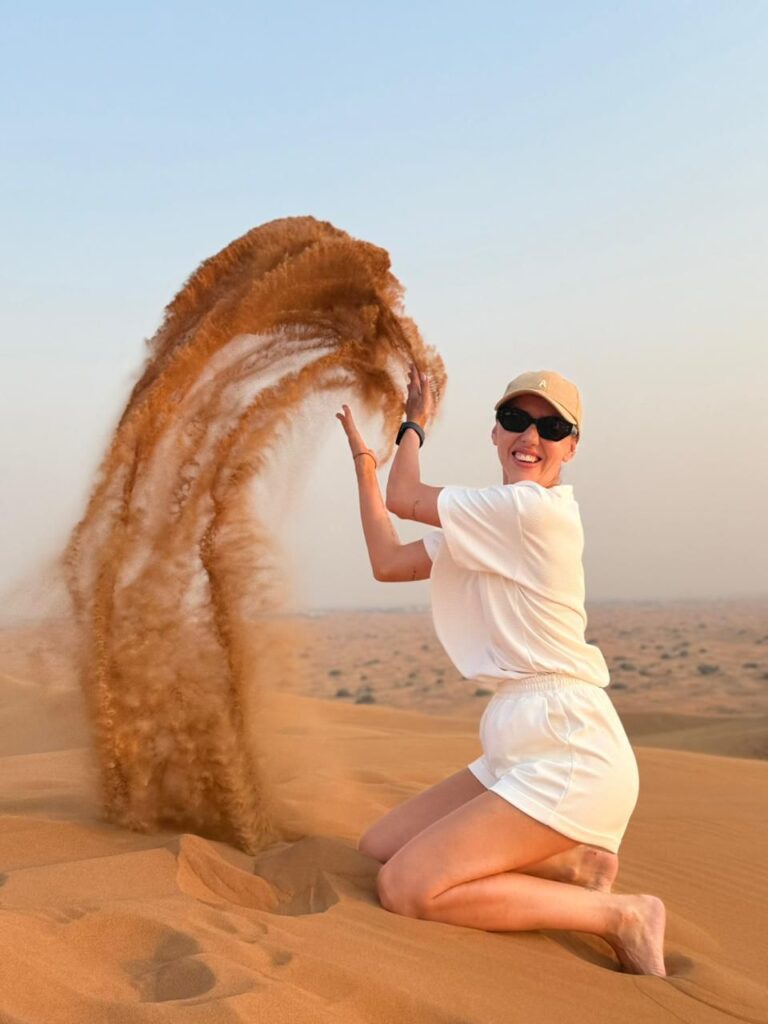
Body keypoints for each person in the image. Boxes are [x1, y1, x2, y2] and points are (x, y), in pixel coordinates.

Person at [335, 364, 667, 977]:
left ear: (572, 447)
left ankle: (623, 915)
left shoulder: (530, 513)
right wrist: (364, 468)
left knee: (407, 887)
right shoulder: (492, 525)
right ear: (494, 433)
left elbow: (406, 499)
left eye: (551, 426)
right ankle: (577, 867)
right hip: (520, 741)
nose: (530, 436)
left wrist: (413, 425)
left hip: (569, 747)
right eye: (515, 420)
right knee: (379, 848)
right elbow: (387, 560)